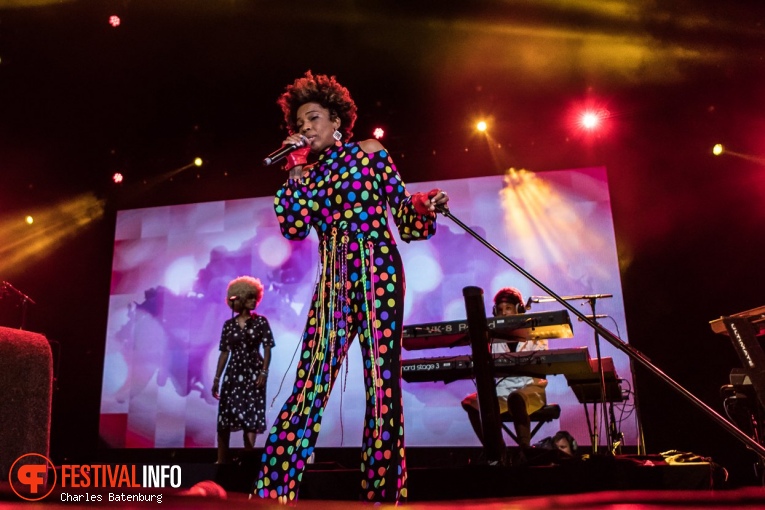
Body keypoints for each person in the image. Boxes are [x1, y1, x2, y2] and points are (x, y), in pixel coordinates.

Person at [253, 71, 449, 504]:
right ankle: (273, 493)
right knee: (309, 385)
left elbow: (405, 215)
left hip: (379, 272)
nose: (305, 127)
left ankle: (384, 496)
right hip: (333, 286)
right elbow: (293, 226)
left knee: (382, 385)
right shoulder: (305, 173)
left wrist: (424, 205)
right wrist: (296, 173)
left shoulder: (370, 153)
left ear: (337, 120)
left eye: (314, 118)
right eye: (299, 122)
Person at [461, 287, 548, 450]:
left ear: (519, 309)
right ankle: (494, 449)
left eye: (508, 308)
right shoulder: (490, 335)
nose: (504, 313)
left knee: (516, 398)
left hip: (530, 390)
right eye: (500, 310)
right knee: (470, 402)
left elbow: (539, 361)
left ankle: (525, 449)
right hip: (501, 392)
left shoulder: (535, 331)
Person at [212, 276, 274, 465]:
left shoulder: (261, 322)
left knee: (251, 415)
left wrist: (264, 372)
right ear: (239, 298)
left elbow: (268, 348)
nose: (254, 301)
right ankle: (221, 460)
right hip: (232, 374)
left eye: (255, 297)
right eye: (249, 298)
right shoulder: (229, 325)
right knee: (226, 416)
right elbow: (224, 353)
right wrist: (216, 378)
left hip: (254, 373)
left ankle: (247, 458)